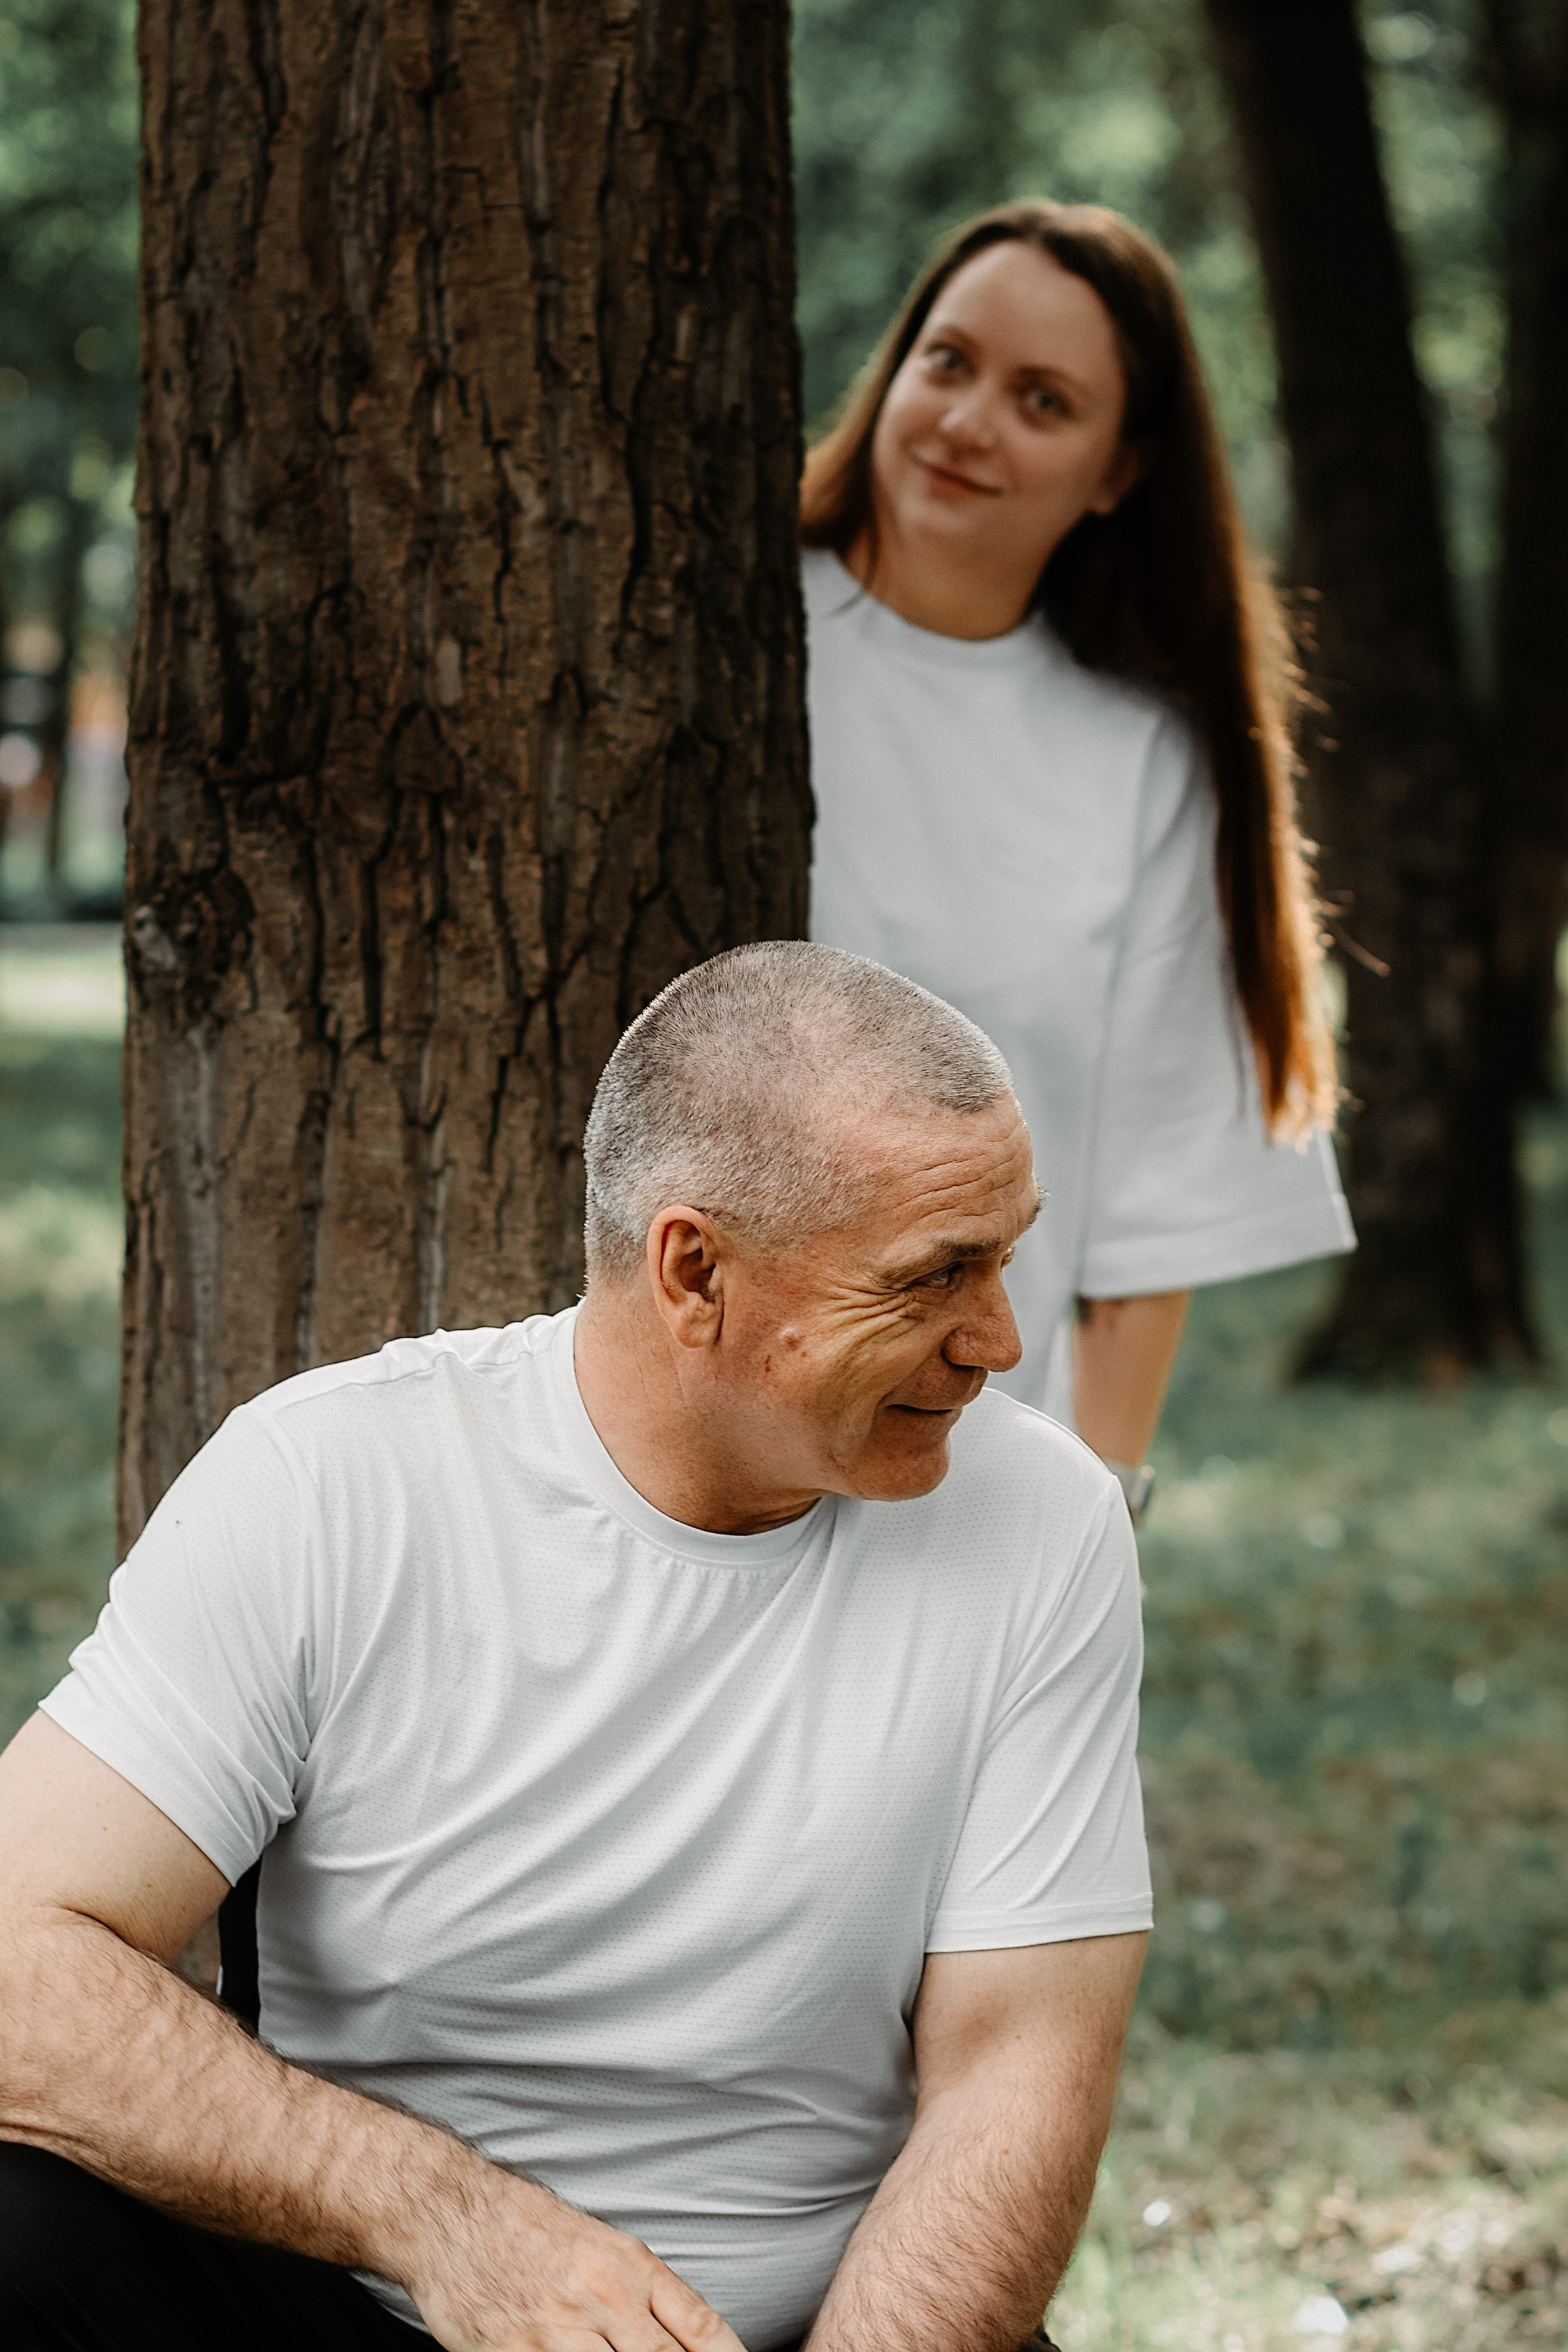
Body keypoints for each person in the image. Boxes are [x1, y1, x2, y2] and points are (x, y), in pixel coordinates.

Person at [0, 943, 1150, 2352]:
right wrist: (446, 2224)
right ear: (693, 1271)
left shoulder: (1041, 1521)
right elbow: (15, 1958)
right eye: (929, 1279)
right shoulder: (333, 1483)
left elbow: (1014, 2075)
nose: (1000, 1340)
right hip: (371, 2299)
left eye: (1006, 1256)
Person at [803, 200, 1355, 1508]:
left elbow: (1140, 1212)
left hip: (948, 1481)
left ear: (1118, 470)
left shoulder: (1140, 760)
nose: (966, 420)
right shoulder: (713, 629)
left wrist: (1096, 1516)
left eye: (1040, 401)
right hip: (655, 1450)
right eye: (948, 361)